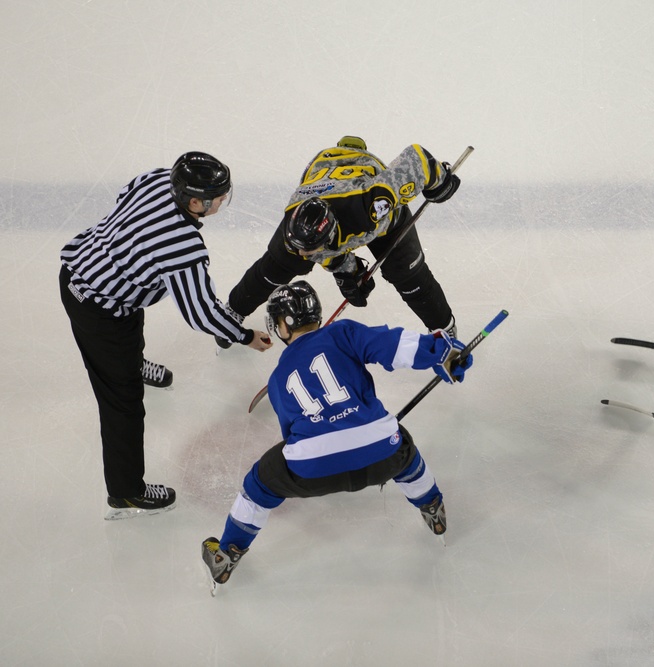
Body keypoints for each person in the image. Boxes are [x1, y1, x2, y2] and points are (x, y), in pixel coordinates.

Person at [201, 280, 473, 592]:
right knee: (405, 451)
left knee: (259, 485)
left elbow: (293, 433)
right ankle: (432, 507)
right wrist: (442, 354)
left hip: (311, 469)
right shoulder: (342, 333)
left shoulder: (278, 377)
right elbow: (394, 345)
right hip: (381, 455)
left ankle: (227, 553)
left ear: (282, 325)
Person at [59, 152, 273, 520]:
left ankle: (130, 361)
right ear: (195, 202)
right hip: (97, 307)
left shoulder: (159, 179)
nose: (223, 202)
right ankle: (126, 491)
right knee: (122, 402)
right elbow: (201, 313)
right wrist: (243, 335)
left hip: (90, 272)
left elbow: (125, 196)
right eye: (219, 198)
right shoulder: (183, 249)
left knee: (131, 321)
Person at [215, 135, 461, 352]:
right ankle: (233, 312)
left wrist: (440, 181)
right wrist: (347, 271)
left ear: (331, 233)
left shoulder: (370, 206)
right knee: (276, 266)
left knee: (406, 273)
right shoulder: (294, 225)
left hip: (362, 182)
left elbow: (417, 159)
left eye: (310, 248)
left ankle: (442, 327)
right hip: (324, 172)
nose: (303, 252)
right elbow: (318, 250)